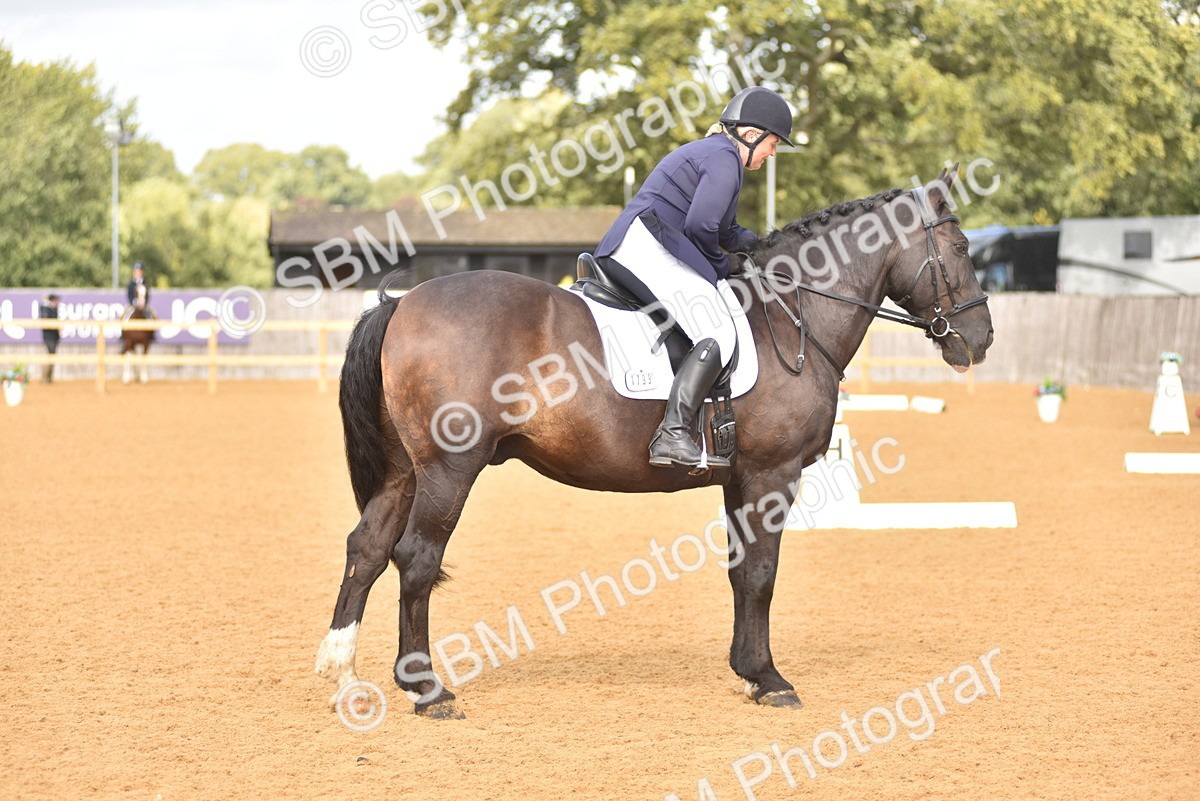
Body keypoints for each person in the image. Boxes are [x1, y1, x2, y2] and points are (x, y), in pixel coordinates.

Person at [594, 86, 795, 469]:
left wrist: (769, 250)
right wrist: (723, 266)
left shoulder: (719, 156)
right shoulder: (724, 158)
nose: (772, 154)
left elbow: (726, 228)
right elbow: (703, 227)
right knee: (718, 329)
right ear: (750, 135)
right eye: (772, 144)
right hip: (647, 244)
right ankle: (672, 434)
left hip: (646, 240)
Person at [39, 293, 60, 383]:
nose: (57, 302)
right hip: (48, 336)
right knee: (50, 356)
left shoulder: (54, 309)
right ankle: (45, 378)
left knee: (52, 356)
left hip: (54, 336)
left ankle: (49, 378)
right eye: (55, 300)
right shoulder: (46, 309)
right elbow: (45, 319)